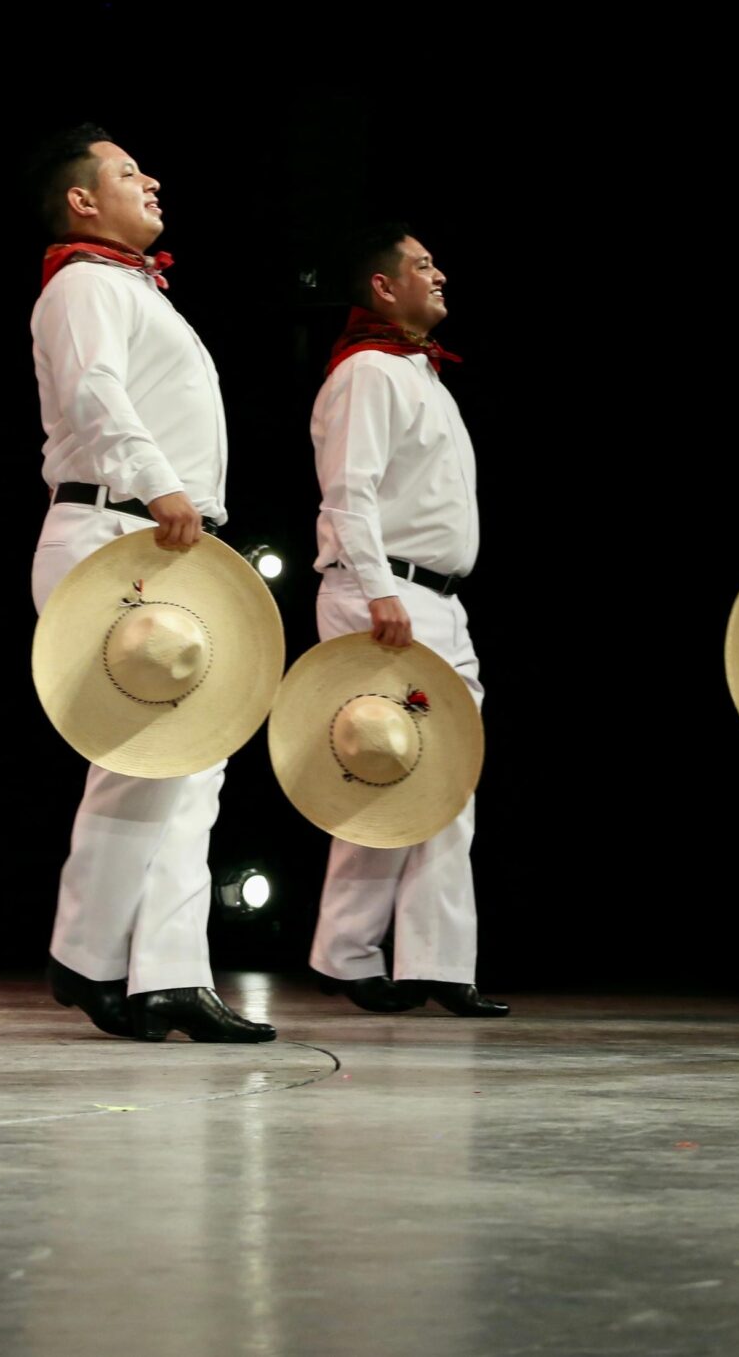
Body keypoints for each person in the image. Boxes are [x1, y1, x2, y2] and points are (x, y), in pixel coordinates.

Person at [27, 123, 273, 1044]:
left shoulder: (129, 286)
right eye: (128, 172)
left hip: (158, 536)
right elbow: (95, 392)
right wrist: (162, 483)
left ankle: (164, 973)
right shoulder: (82, 284)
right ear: (82, 200)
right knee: (147, 758)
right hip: (116, 529)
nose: (152, 181)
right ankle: (93, 954)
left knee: (189, 765)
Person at [304, 227, 505, 1018]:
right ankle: (347, 950)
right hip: (386, 592)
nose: (440, 274)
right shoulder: (367, 371)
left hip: (439, 600)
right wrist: (379, 587)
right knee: (381, 767)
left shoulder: (419, 372)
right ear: (384, 287)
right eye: (423, 266)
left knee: (450, 777)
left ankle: (439, 962)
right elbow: (348, 489)